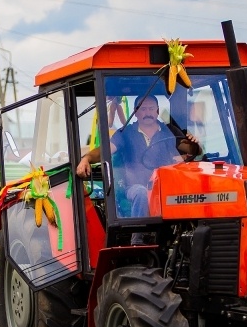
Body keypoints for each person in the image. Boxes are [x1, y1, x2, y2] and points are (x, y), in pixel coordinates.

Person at [76, 96, 200, 244]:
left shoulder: (170, 131)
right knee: (141, 192)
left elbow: (190, 149)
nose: (148, 112)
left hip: (166, 187)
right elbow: (105, 151)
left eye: (151, 108)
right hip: (134, 188)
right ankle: (137, 241)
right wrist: (87, 158)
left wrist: (193, 144)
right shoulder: (125, 133)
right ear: (135, 112)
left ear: (157, 111)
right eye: (143, 109)